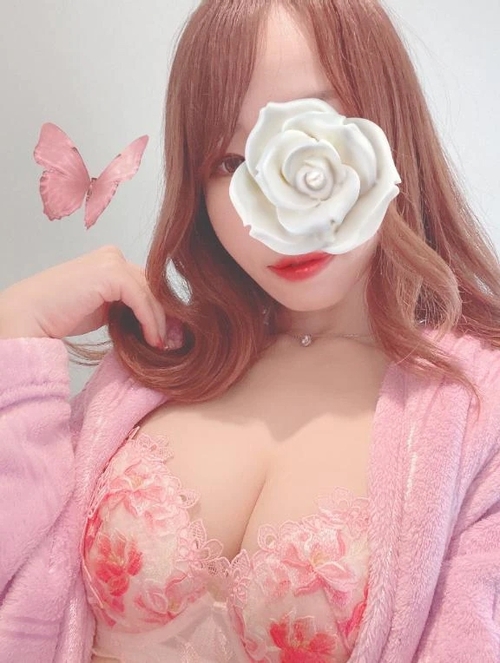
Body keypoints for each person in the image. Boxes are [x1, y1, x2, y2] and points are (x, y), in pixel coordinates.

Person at [1, 0, 499, 661]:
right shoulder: (160, 365)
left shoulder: (476, 412)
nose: (283, 208)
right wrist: (17, 326)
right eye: (234, 163)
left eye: (316, 138)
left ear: (391, 136)